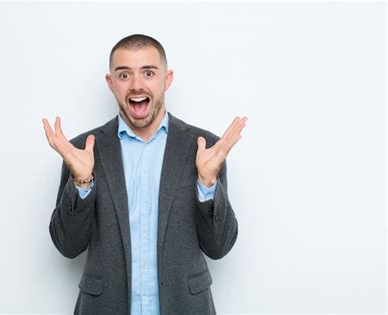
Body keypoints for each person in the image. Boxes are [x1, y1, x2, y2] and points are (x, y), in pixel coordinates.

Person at [43, 34, 247, 315]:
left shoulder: (205, 148)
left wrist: (207, 184)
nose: (137, 85)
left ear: (167, 79)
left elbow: (219, 247)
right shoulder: (82, 150)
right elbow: (67, 246)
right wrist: (82, 182)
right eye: (124, 74)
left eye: (148, 73)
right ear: (110, 83)